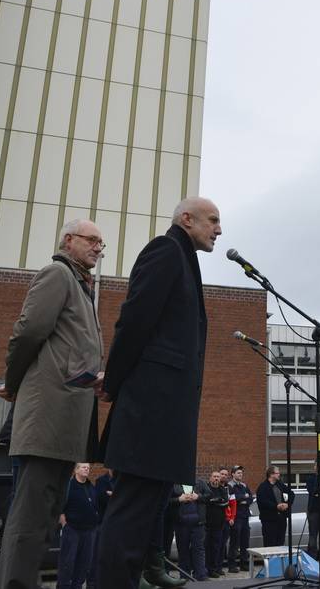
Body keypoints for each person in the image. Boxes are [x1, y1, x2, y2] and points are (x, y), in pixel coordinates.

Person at [96, 198, 221, 588]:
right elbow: (133, 320)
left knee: (145, 511)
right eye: (213, 220)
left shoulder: (184, 258)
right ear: (187, 219)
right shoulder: (165, 250)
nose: (219, 229)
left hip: (163, 413)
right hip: (150, 409)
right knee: (131, 511)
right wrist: (113, 382)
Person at [0, 218, 105, 589]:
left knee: (43, 522)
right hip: (46, 420)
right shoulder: (57, 274)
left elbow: (70, 352)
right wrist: (13, 385)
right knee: (28, 523)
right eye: (92, 240)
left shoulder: (82, 286)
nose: (98, 248)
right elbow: (27, 332)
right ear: (69, 240)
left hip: (64, 425)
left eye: (101, 243)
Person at [58, 463, 100, 589]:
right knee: (67, 564)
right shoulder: (69, 486)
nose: (87, 469)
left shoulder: (90, 486)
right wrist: (64, 524)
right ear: (76, 470)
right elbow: (60, 506)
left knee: (83, 565)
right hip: (72, 530)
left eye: (88, 467)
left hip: (89, 531)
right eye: (83, 467)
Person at [256, 465, 292, 547]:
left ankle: (279, 560)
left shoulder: (280, 485)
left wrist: (287, 504)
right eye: (277, 473)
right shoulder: (263, 487)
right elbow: (262, 502)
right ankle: (271, 560)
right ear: (271, 474)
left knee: (280, 543)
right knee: (270, 544)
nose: (279, 474)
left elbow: (291, 494)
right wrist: (276, 506)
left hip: (281, 519)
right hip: (269, 520)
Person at [203, 471, 229, 578]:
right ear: (210, 478)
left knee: (216, 548)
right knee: (205, 547)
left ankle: (213, 569)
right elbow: (205, 500)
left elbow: (225, 502)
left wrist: (214, 501)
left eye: (218, 477)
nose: (216, 479)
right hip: (206, 523)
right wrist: (216, 500)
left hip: (219, 524)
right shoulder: (206, 488)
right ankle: (204, 569)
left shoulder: (222, 489)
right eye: (214, 476)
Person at [227, 466, 253, 573]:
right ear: (232, 474)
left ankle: (244, 564)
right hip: (236, 517)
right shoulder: (229, 485)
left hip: (245, 516)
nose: (240, 475)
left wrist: (244, 499)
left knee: (244, 542)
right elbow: (233, 498)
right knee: (234, 542)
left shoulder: (244, 485)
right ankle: (232, 565)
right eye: (238, 473)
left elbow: (250, 498)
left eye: (241, 473)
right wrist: (243, 496)